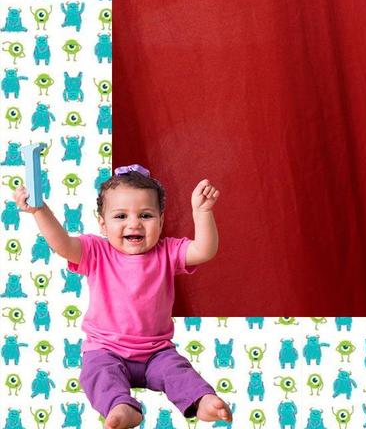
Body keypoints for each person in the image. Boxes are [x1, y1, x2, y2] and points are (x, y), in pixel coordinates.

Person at [12, 166, 230, 429]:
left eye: (146, 215)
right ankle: (121, 406)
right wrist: (40, 211)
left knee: (179, 372)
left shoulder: (167, 251)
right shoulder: (96, 251)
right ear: (103, 224)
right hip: (106, 350)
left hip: (157, 352)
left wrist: (202, 213)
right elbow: (62, 244)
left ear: (161, 221)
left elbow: (204, 250)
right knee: (97, 375)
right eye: (121, 216)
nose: (134, 223)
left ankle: (201, 400)